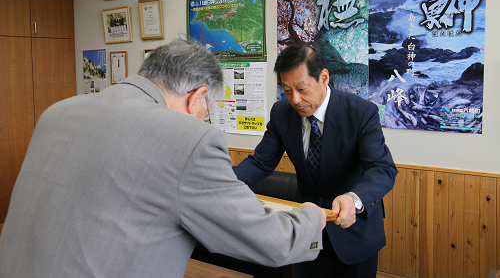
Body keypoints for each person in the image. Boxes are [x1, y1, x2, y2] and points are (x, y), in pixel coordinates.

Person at [0, 38, 326, 278]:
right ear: (197, 95)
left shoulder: (58, 111)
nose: (202, 120)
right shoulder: (188, 138)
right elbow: (271, 243)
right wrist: (311, 215)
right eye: (206, 111)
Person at [233, 45, 398, 278]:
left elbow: (382, 169)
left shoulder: (361, 113)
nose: (296, 100)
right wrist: (224, 185)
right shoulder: (281, 113)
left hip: (354, 230)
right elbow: (260, 163)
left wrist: (354, 199)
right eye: (287, 90)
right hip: (310, 229)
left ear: (323, 77)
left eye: (301, 89)